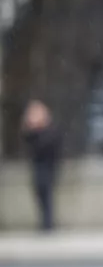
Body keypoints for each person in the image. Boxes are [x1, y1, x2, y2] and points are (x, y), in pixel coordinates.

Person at [21, 99, 62, 231]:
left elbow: (46, 147)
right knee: (39, 195)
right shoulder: (33, 132)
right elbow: (27, 142)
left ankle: (48, 224)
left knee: (47, 195)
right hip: (38, 166)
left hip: (48, 166)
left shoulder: (50, 130)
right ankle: (44, 222)